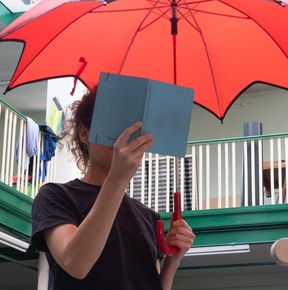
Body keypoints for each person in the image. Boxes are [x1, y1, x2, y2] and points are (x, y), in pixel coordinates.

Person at [30, 87, 195, 289]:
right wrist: (116, 179)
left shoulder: (148, 217)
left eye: (133, 130)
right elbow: (76, 263)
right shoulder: (56, 196)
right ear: (84, 133)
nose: (122, 138)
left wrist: (172, 262)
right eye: (112, 125)